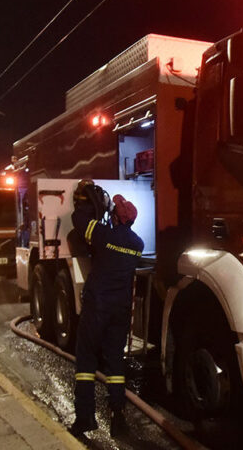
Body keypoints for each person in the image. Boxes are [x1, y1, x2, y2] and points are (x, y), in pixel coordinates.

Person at [68, 180, 144, 438]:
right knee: (115, 362)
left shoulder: (102, 235)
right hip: (120, 311)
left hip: (97, 307)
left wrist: (88, 199)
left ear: (116, 217)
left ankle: (85, 417)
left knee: (86, 359)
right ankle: (118, 418)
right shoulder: (137, 244)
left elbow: (79, 220)